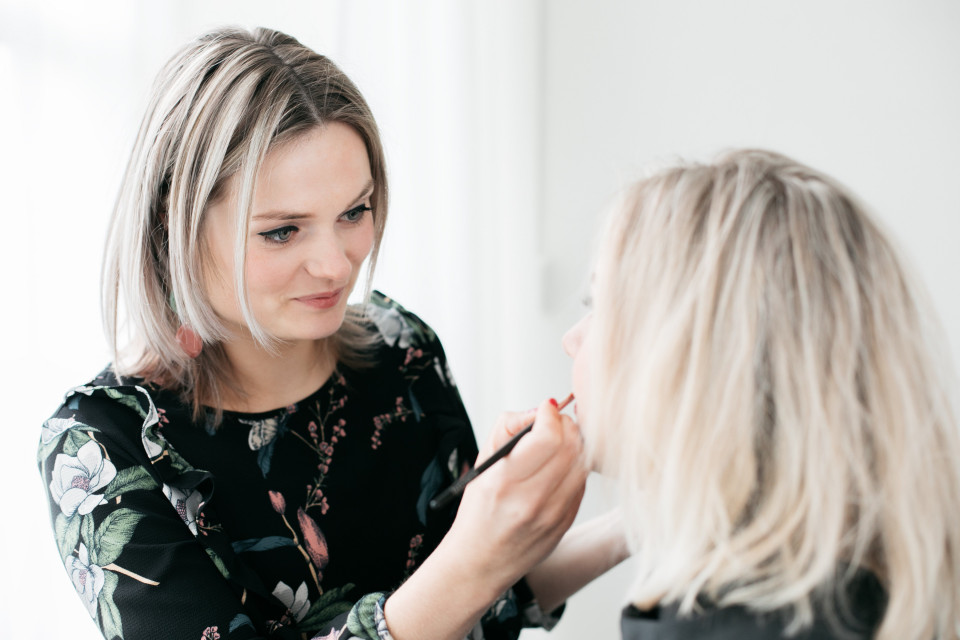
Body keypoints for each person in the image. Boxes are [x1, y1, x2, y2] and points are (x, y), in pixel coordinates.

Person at [38, 26, 627, 640]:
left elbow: (488, 604)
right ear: (174, 225)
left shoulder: (401, 348)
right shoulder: (98, 448)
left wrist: (645, 522)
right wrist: (474, 563)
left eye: (354, 212)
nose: (336, 265)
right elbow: (462, 583)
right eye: (283, 231)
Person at [561, 148, 960, 639]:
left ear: (695, 361)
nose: (572, 340)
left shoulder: (715, 626)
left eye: (598, 305)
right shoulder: (854, 592)